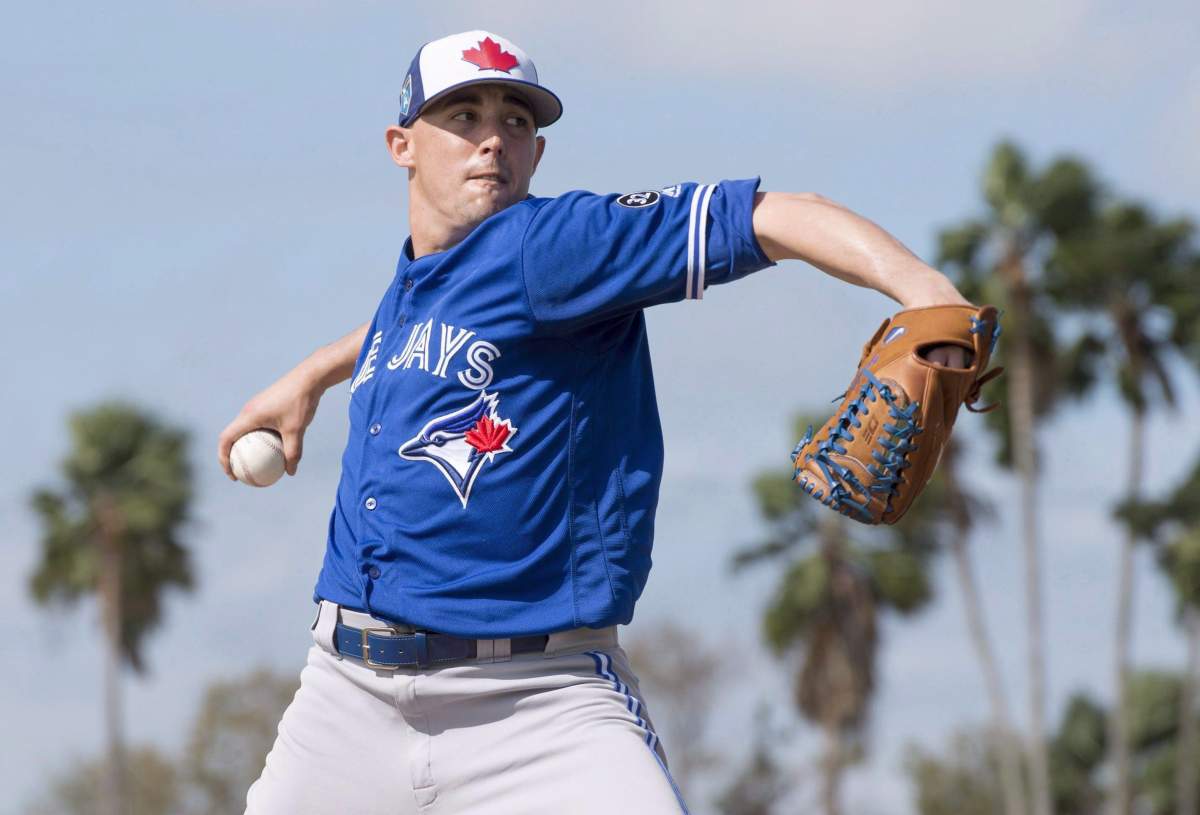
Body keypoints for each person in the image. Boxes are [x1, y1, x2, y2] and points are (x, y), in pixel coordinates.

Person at [219, 29, 970, 815]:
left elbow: (775, 215)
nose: (491, 140)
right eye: (463, 115)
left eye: (516, 121)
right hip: (346, 697)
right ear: (401, 145)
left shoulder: (555, 245)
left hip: (537, 703)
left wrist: (927, 294)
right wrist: (313, 374)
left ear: (537, 155)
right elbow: (420, 325)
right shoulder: (422, 277)